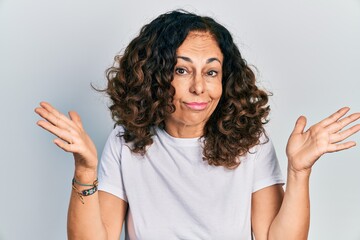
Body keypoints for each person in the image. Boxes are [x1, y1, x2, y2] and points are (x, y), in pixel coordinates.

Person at [35, 10, 360, 240]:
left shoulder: (250, 143)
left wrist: (299, 173)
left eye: (211, 71)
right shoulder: (126, 142)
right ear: (154, 77)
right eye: (181, 70)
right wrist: (85, 172)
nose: (199, 88)